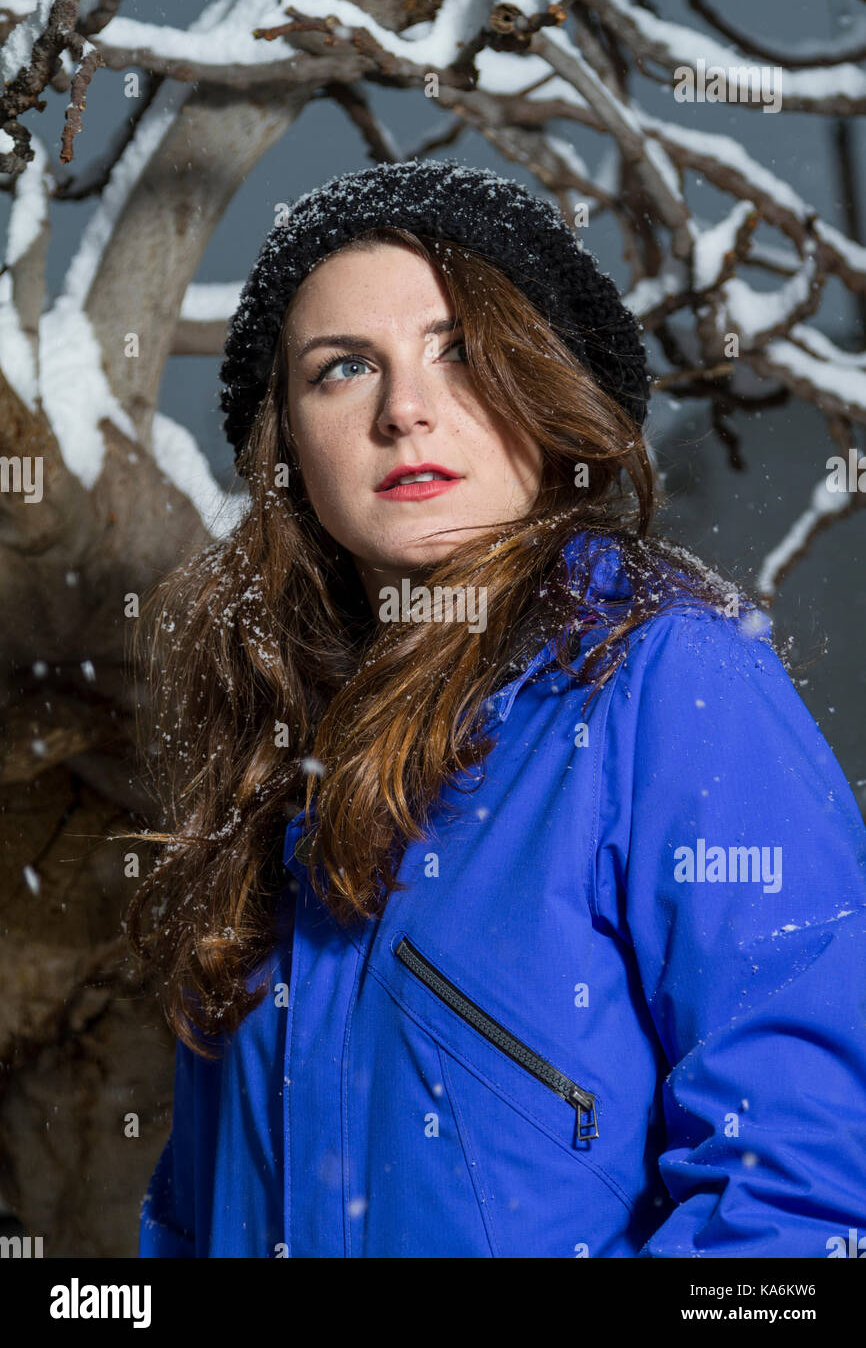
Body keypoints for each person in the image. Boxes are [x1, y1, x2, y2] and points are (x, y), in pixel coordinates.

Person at [129, 158, 866, 1259]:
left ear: (545, 383)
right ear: (285, 443)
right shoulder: (271, 751)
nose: (405, 410)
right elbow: (190, 1221)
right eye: (341, 368)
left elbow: (806, 1198)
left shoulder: (667, 682)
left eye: (458, 350)